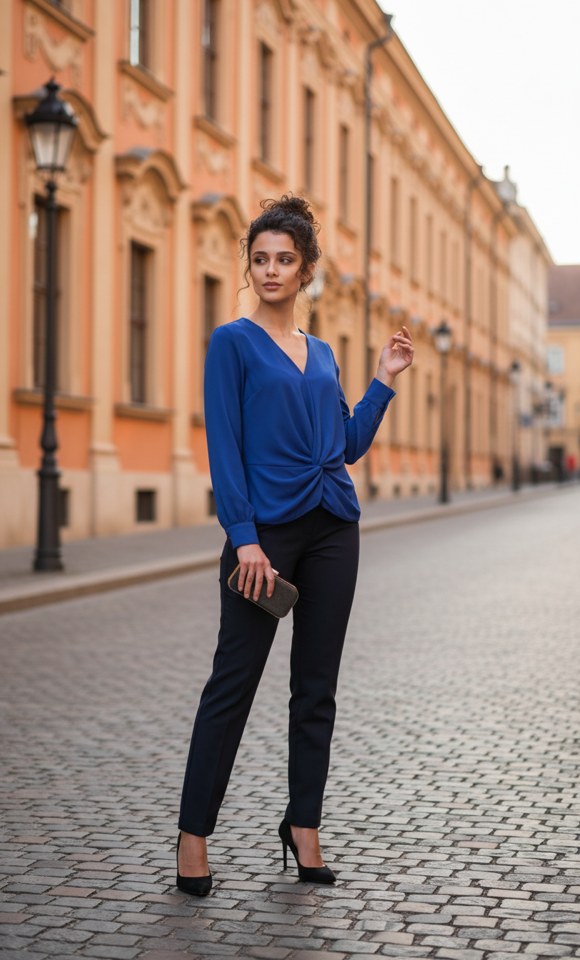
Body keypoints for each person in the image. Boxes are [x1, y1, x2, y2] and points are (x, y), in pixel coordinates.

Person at [176, 195, 413, 896]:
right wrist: (243, 538)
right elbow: (225, 447)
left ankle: (304, 826)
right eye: (260, 259)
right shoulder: (232, 342)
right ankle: (193, 838)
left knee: (316, 689)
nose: (272, 270)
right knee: (232, 685)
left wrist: (383, 380)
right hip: (267, 536)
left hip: (334, 527)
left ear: (306, 269)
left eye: (285, 259)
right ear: (249, 268)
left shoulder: (323, 353)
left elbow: (345, 446)